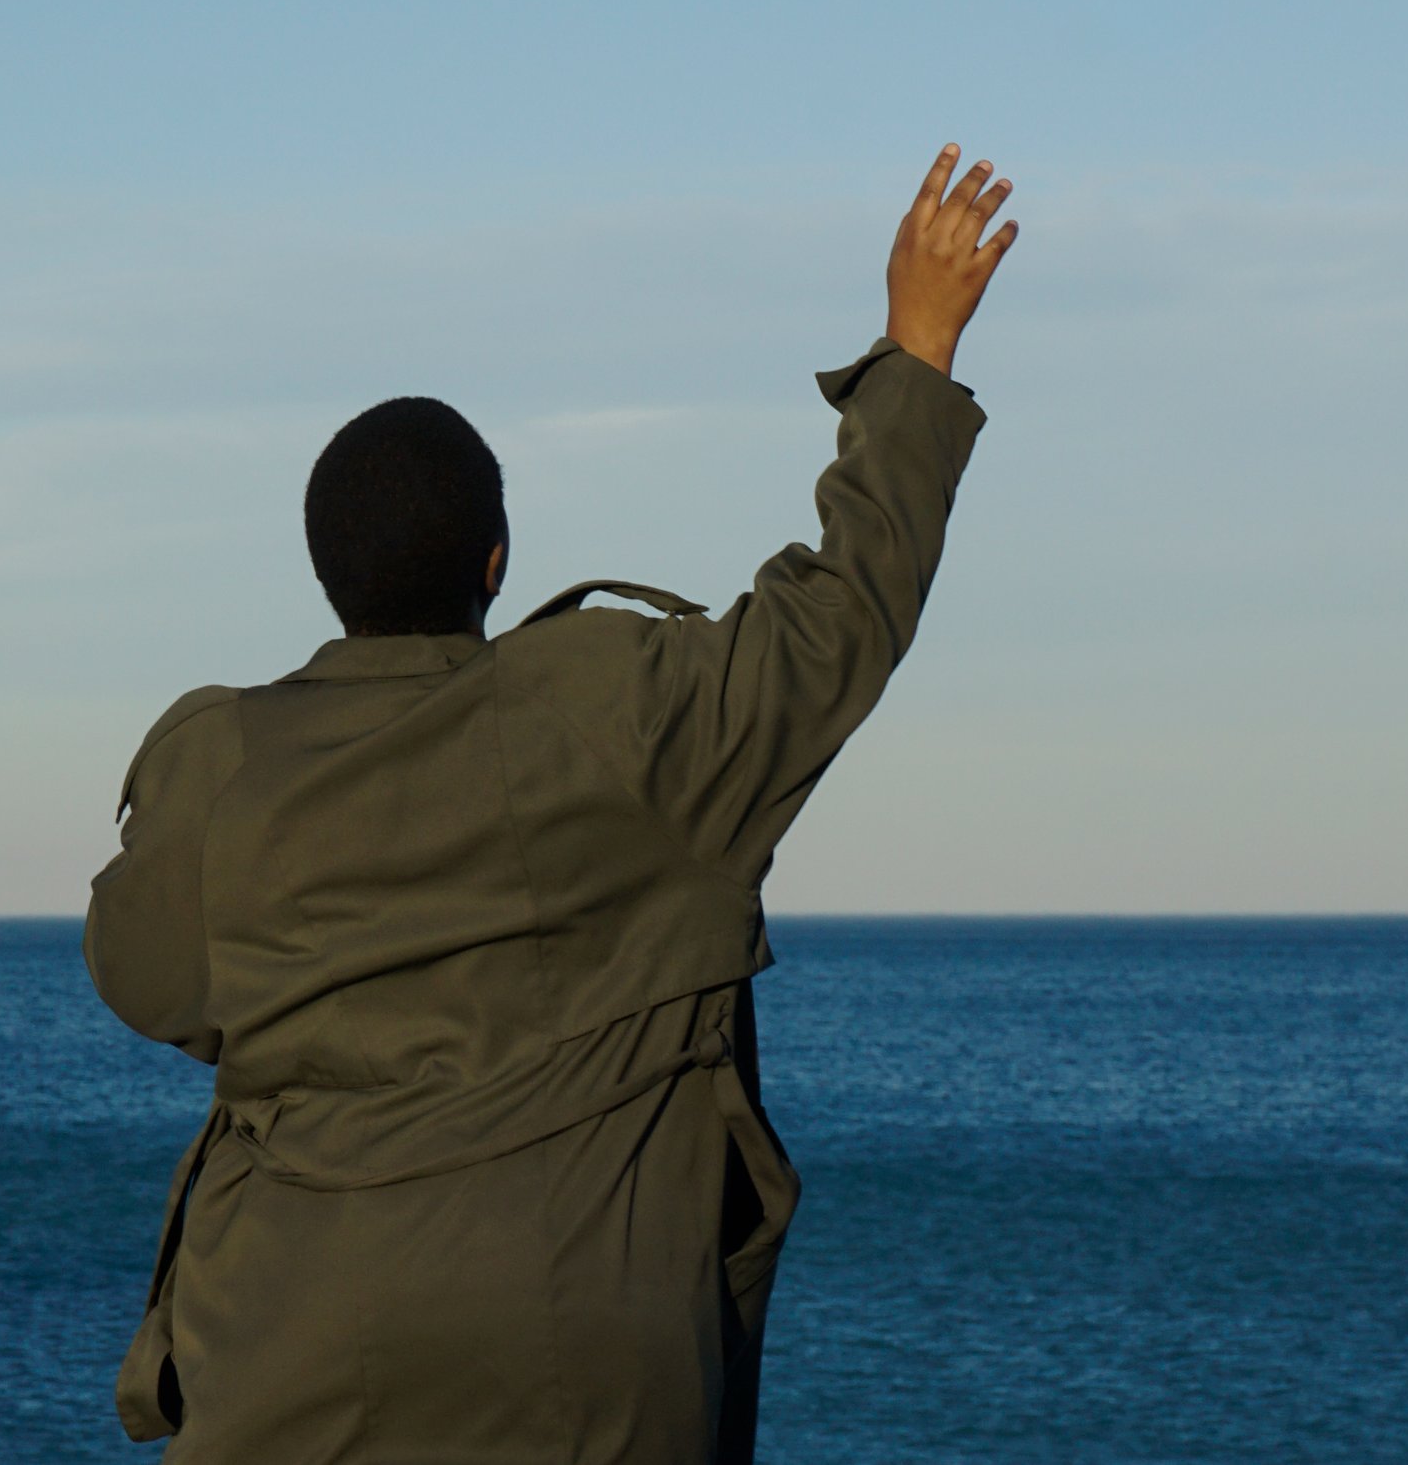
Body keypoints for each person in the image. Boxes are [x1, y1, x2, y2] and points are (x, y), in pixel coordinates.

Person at [84, 145, 1018, 1461]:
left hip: (293, 1383)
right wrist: (915, 350)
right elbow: (838, 620)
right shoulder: (629, 716)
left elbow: (143, 971)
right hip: (608, 1401)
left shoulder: (226, 767)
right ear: (497, 560)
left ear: (326, 577)